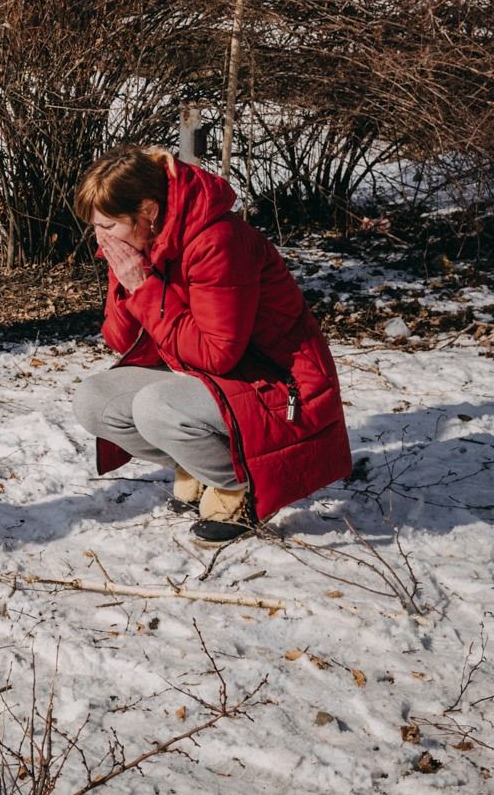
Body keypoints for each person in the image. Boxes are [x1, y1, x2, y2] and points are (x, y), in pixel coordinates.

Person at [70, 146, 352, 543]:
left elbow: (218, 354)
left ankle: (239, 489)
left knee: (155, 406)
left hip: (276, 384)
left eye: (108, 225)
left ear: (148, 211)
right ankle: (200, 466)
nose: (101, 238)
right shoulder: (138, 244)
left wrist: (142, 288)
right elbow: (121, 340)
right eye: (95, 226)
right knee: (95, 400)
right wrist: (128, 282)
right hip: (205, 374)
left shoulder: (218, 240)